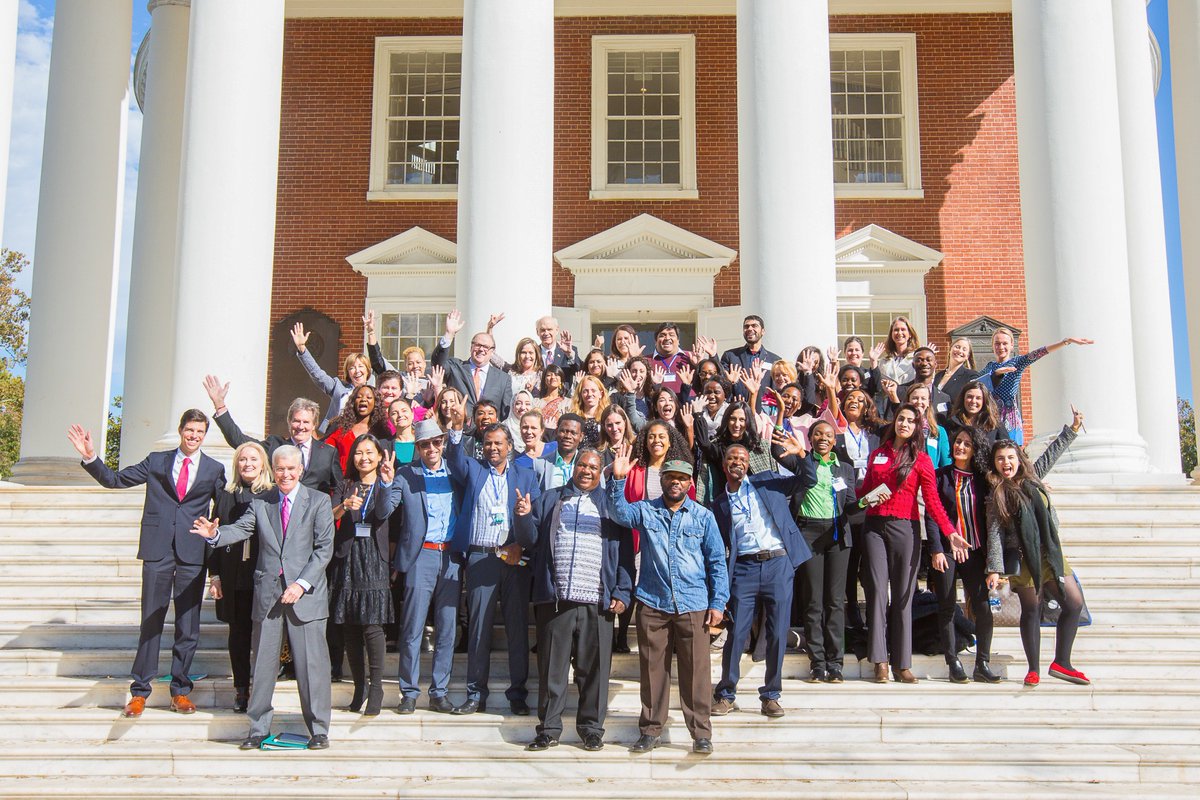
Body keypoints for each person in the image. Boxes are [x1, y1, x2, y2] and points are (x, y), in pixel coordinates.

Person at [67, 410, 226, 719]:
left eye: (199, 432)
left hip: (193, 553)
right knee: (151, 622)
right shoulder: (156, 461)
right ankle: (140, 691)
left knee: (188, 627)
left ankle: (180, 691)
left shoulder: (214, 469)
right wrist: (91, 457)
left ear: (205, 435)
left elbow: (224, 510)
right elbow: (115, 480)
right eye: (189, 430)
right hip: (157, 551)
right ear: (180, 430)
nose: (194, 435)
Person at [191, 445, 337, 750]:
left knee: (313, 667)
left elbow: (324, 550)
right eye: (280, 469)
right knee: (263, 666)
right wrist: (214, 536)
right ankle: (257, 728)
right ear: (273, 470)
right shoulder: (261, 504)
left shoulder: (319, 502)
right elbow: (240, 529)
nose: (285, 474)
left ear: (300, 471)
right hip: (269, 595)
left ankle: (319, 729)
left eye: (290, 469)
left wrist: (301, 584)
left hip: (305, 596)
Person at [609, 447, 728, 755]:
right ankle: (650, 730)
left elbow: (716, 561)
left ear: (690, 483)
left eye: (682, 478)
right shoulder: (646, 511)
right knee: (652, 671)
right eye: (671, 477)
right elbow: (618, 511)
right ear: (661, 479)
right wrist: (618, 479)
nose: (676, 482)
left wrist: (718, 602)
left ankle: (701, 732)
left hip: (694, 604)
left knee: (696, 673)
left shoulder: (703, 516)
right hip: (653, 602)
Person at [514, 449, 634, 752]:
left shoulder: (610, 506)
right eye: (582, 465)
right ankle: (549, 729)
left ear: (601, 471)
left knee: (593, 670)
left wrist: (622, 591)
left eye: (594, 467)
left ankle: (591, 729)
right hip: (557, 600)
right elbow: (528, 540)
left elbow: (624, 555)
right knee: (552, 670)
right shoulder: (551, 499)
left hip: (597, 601)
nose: (587, 470)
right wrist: (524, 516)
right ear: (572, 467)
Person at [859, 404, 967, 684]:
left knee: (904, 597)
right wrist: (858, 497)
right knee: (877, 595)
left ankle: (902, 664)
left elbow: (932, 502)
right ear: (894, 422)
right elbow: (863, 493)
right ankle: (880, 661)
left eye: (910, 420)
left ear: (917, 427)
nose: (904, 423)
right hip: (874, 527)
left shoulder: (921, 460)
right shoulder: (877, 454)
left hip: (905, 529)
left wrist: (949, 531)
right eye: (901, 419)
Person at [710, 434, 815, 718]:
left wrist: (802, 456)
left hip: (778, 563)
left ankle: (771, 695)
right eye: (732, 458)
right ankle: (726, 693)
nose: (738, 463)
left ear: (748, 464)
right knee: (737, 634)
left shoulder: (767, 481)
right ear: (724, 464)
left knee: (777, 632)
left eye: (742, 459)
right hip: (743, 568)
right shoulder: (719, 504)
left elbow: (808, 481)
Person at [986, 407, 1089, 687]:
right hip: (1022, 558)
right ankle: (1033, 669)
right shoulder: (997, 493)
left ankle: (1062, 662)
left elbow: (1050, 456)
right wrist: (995, 568)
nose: (1006, 463)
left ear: (1018, 459)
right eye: (1000, 460)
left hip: (1050, 553)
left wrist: (1073, 428)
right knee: (1031, 610)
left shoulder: (1033, 479)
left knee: (1074, 603)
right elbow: (994, 531)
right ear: (994, 464)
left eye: (1010, 458)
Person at [445, 422, 541, 716]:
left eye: (498, 443)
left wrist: (520, 547)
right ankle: (476, 694)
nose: (493, 448)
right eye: (488, 443)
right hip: (481, 558)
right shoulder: (475, 469)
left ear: (509, 446)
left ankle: (517, 694)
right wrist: (457, 432)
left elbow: (534, 521)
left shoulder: (526, 475)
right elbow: (454, 460)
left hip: (515, 560)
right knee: (479, 630)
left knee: (516, 629)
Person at [390, 419, 463, 714]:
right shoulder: (406, 474)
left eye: (436, 442)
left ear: (443, 443)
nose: (431, 448)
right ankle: (408, 691)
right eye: (424, 444)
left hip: (451, 558)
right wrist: (384, 483)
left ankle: (439, 692)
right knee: (413, 627)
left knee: (446, 629)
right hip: (421, 556)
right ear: (417, 448)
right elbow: (385, 509)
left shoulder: (456, 474)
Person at [613, 419, 696, 653]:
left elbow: (690, 502)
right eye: (651, 436)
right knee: (630, 582)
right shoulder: (636, 468)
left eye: (661, 436)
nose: (656, 441)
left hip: (673, 539)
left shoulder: (679, 469)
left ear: (670, 441)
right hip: (639, 537)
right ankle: (620, 636)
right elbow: (625, 502)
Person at [786, 420, 858, 684]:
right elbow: (779, 454)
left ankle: (835, 663)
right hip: (808, 534)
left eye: (828, 434)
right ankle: (817, 663)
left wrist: (865, 502)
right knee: (814, 601)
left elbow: (850, 505)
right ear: (811, 437)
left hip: (838, 535)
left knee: (835, 602)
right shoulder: (803, 462)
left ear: (834, 439)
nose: (823, 438)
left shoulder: (845, 469)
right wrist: (800, 452)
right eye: (818, 433)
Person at [330, 434, 397, 717]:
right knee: (349, 627)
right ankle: (359, 687)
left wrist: (386, 482)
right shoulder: (345, 486)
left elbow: (383, 514)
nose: (364, 458)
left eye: (370, 452)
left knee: (372, 625)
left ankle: (377, 687)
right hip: (347, 557)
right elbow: (326, 516)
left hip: (375, 558)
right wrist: (344, 506)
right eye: (359, 453)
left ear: (380, 456)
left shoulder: (387, 484)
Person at [930, 425, 1001, 684]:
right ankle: (953, 662)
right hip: (947, 551)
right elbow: (931, 514)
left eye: (966, 444)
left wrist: (994, 564)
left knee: (983, 607)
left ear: (974, 450)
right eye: (957, 442)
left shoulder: (984, 479)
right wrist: (936, 548)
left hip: (974, 550)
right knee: (947, 605)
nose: (960, 446)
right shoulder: (941, 476)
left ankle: (982, 663)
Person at [208, 441, 275, 713]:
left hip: (262, 574)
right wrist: (215, 576)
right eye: (243, 459)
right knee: (238, 634)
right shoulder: (226, 495)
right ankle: (241, 689)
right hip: (233, 574)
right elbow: (213, 533)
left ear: (263, 464)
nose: (248, 464)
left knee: (263, 635)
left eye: (253, 459)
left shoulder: (272, 495)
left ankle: (261, 687)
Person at [204, 379, 343, 494]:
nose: (301, 426)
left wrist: (329, 515)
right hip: (278, 517)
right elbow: (239, 440)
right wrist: (220, 405)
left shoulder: (328, 453)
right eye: (296, 421)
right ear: (289, 422)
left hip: (313, 521)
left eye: (306, 422)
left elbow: (338, 488)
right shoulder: (274, 445)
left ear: (314, 425)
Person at [978, 327, 1093, 445]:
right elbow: (973, 383)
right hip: (990, 419)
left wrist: (1066, 341)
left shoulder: (1017, 362)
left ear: (1012, 345)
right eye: (997, 343)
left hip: (1009, 421)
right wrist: (995, 374)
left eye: (1005, 343)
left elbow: (1039, 353)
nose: (1001, 347)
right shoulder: (989, 367)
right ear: (992, 346)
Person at [837, 388, 883, 632]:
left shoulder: (875, 435)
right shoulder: (835, 434)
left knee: (871, 560)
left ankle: (875, 612)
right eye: (850, 400)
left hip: (874, 502)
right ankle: (852, 609)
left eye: (860, 400)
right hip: (849, 503)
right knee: (851, 560)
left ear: (867, 408)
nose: (854, 402)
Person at [431, 308, 515, 419]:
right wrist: (449, 335)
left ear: (492, 351)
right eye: (477, 345)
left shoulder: (503, 379)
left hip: (489, 432)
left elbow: (505, 413)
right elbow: (438, 364)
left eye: (486, 347)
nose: (481, 349)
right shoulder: (456, 367)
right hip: (460, 429)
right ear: (471, 347)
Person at [291, 321, 373, 433]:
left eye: (361, 366)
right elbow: (317, 374)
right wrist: (302, 348)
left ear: (368, 370)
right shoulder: (337, 387)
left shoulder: (373, 393)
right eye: (352, 368)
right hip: (335, 435)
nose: (357, 371)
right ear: (348, 372)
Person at [323, 384, 390, 472]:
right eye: (359, 397)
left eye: (369, 397)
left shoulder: (382, 430)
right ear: (353, 402)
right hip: (341, 481)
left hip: (371, 481)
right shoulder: (338, 425)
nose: (363, 399)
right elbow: (325, 454)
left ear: (375, 403)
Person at [530, 414, 588, 490]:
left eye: (573, 433)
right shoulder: (539, 464)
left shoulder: (590, 465)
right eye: (563, 431)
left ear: (581, 437)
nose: (568, 436)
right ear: (556, 432)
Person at [945, 381, 1011, 446]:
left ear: (984, 401)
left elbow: (1006, 448)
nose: (973, 401)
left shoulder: (994, 424)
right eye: (969, 397)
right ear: (963, 398)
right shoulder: (952, 423)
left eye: (978, 398)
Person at [934, 337, 980, 406]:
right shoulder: (938, 376)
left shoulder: (971, 376)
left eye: (964, 349)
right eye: (957, 347)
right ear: (950, 349)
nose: (960, 351)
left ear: (967, 356)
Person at [877, 316, 921, 386]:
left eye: (903, 329)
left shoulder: (917, 359)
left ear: (910, 334)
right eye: (896, 330)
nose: (899, 333)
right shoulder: (883, 362)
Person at [649, 322, 690, 396]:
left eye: (671, 335)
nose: (667, 338)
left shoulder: (690, 357)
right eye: (662, 335)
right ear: (656, 341)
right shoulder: (647, 361)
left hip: (687, 405)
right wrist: (633, 357)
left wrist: (711, 357)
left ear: (678, 340)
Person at [569, 374, 609, 449]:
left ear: (601, 394)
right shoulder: (574, 418)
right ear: (580, 394)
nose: (590, 394)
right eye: (585, 391)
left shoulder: (607, 417)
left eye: (593, 390)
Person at [387, 397, 417, 465]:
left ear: (412, 414)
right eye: (394, 413)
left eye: (404, 411)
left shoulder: (423, 442)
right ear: (390, 418)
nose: (400, 415)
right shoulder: (383, 445)